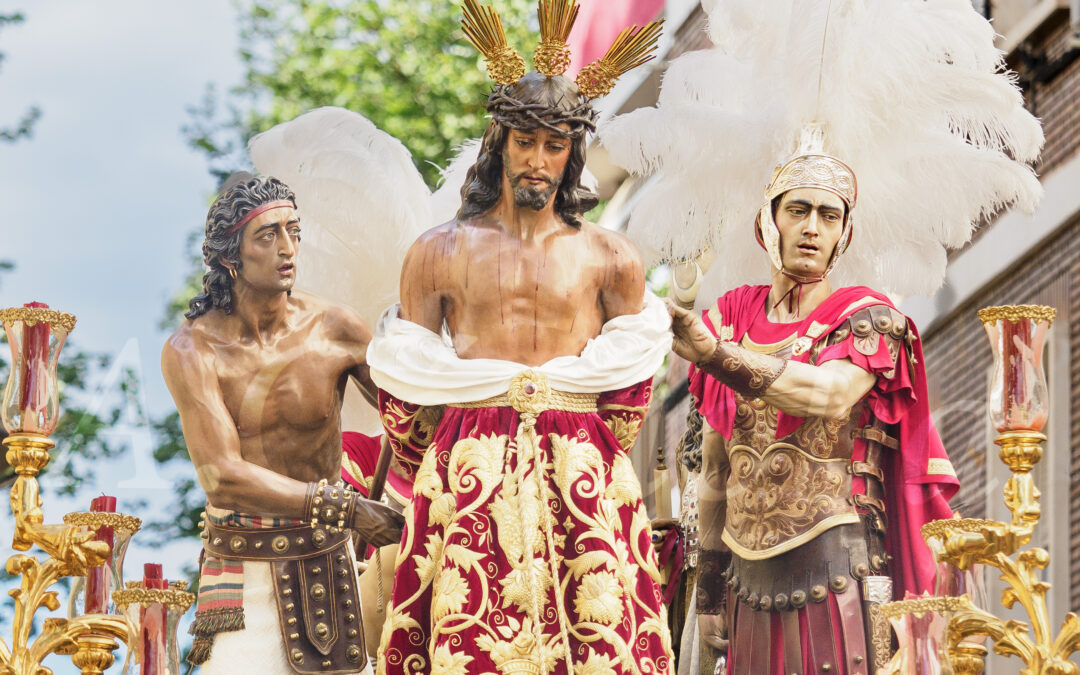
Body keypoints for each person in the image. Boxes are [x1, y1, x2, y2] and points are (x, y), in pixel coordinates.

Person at [365, 2, 674, 672]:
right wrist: (456, 455)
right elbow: (405, 388)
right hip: (470, 465)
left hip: (582, 469)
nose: (538, 160)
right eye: (525, 142)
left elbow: (628, 393)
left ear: (573, 151)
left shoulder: (612, 257)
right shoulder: (438, 252)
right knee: (468, 638)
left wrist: (575, 442)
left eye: (554, 145)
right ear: (499, 141)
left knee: (597, 633)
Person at [668, 152, 959, 675]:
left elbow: (827, 395)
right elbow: (715, 467)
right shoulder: (730, 319)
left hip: (837, 573)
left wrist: (716, 355)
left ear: (844, 233)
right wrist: (709, 592)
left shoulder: (867, 317)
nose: (812, 228)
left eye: (829, 216)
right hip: (743, 584)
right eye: (798, 210)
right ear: (768, 221)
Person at [162, 174, 404, 675]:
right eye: (268, 236)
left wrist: (426, 358)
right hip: (244, 570)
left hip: (329, 568)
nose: (288, 248)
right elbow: (221, 477)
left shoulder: (336, 327)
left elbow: (411, 425)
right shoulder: (193, 350)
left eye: (293, 231)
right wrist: (348, 508)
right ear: (231, 256)